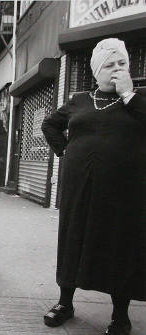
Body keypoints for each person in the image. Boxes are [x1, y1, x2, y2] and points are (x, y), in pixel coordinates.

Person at [41, 38, 146, 335]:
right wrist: (65, 151)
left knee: (119, 248)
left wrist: (128, 95)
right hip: (80, 190)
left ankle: (121, 316)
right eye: (109, 64)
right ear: (96, 71)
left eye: (121, 63)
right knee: (73, 242)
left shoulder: (139, 99)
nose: (116, 69)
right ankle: (65, 303)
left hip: (124, 195)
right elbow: (49, 124)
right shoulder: (80, 100)